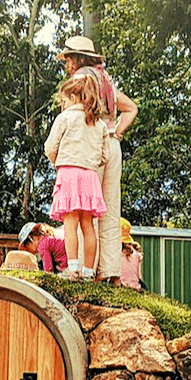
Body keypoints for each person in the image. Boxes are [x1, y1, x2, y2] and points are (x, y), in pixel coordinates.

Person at [56, 35, 139, 285]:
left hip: (89, 147)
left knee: (83, 211)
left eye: (69, 58)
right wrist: (117, 132)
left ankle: (82, 269)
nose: (67, 64)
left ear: (79, 58)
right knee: (110, 211)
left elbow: (72, 119)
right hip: (111, 144)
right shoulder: (106, 80)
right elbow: (132, 108)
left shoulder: (80, 80)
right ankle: (110, 272)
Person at [45, 74, 111, 281]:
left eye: (63, 101)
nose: (62, 105)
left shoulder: (64, 118)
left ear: (73, 97)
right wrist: (90, 163)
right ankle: (89, 272)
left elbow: (50, 147)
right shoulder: (99, 124)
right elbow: (105, 156)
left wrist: (58, 161)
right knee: (88, 225)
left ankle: (73, 269)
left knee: (70, 224)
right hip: (90, 176)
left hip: (69, 173)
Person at [119, 218, 144, 291]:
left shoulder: (116, 254)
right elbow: (139, 277)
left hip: (122, 286)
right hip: (136, 287)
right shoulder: (137, 255)